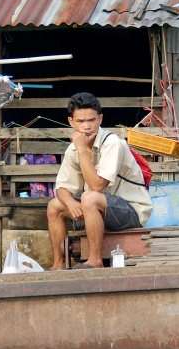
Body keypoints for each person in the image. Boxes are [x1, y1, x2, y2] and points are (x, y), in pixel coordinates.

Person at [47, 93, 153, 270]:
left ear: (100, 119)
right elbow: (62, 188)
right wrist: (71, 203)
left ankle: (95, 261)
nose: (86, 126)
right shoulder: (73, 149)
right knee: (55, 206)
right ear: (71, 122)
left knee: (89, 197)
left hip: (131, 211)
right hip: (97, 208)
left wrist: (82, 150)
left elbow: (97, 186)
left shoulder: (112, 143)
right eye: (80, 121)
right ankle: (59, 263)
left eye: (91, 120)